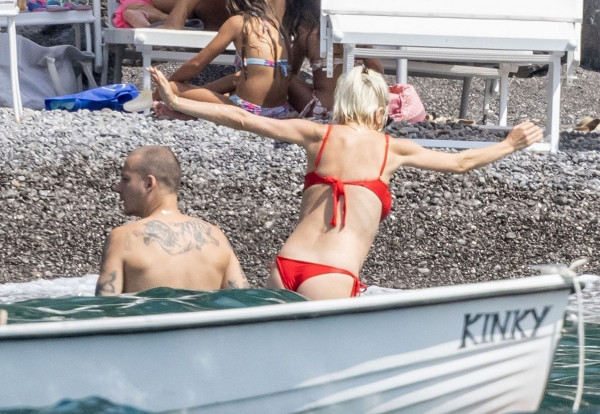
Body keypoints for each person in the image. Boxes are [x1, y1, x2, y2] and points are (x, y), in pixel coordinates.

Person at [148, 65, 542, 300]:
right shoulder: (393, 149)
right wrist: (509, 144)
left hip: (284, 267)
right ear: (379, 108)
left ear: (343, 102)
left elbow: (244, 119)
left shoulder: (316, 135)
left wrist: (178, 101)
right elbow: (461, 162)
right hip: (332, 275)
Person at [95, 146, 249, 296]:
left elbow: (106, 307)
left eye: (125, 179)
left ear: (149, 183)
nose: (118, 188)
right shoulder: (216, 237)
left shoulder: (122, 238)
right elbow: (244, 300)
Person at [152, 0, 293, 121]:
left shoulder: (238, 22)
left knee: (172, 87)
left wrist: (168, 83)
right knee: (236, 78)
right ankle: (190, 110)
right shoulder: (275, 25)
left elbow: (196, 64)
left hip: (248, 111)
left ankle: (184, 109)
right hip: (279, 111)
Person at [284, 0, 383, 119]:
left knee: (284, 73)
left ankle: (278, 107)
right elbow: (378, 72)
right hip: (351, 108)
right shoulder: (354, 36)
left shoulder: (307, 37)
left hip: (319, 107)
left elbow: (291, 70)